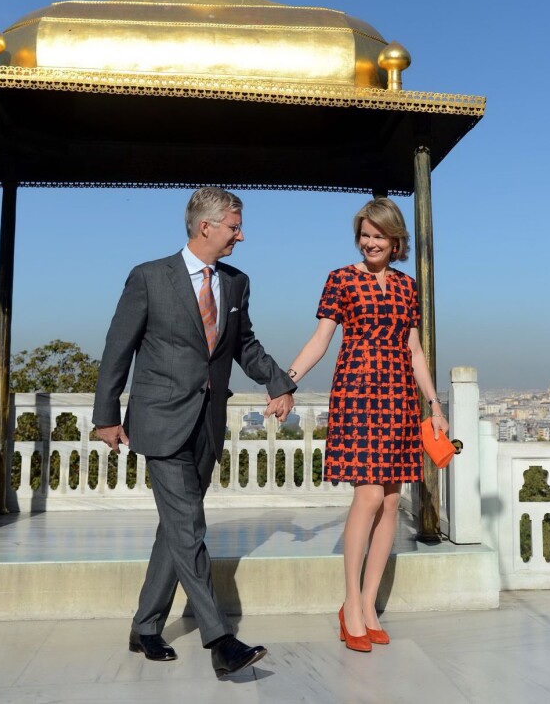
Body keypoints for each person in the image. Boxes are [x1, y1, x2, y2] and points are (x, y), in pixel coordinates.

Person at [92, 187, 296, 677]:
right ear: (206, 226)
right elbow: (118, 349)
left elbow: (244, 344)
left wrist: (278, 381)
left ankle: (145, 626)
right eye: (234, 226)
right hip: (160, 422)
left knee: (177, 529)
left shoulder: (237, 282)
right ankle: (221, 640)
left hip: (208, 423)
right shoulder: (149, 278)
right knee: (189, 526)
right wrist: (106, 416)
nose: (240, 236)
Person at [286, 197, 448, 652]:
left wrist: (433, 403)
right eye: (364, 234)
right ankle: (351, 604)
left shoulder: (406, 286)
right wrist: (287, 382)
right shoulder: (340, 279)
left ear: (395, 240)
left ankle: (369, 604)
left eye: (379, 235)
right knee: (369, 494)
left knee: (392, 503)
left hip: (398, 395)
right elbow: (321, 339)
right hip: (357, 392)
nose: (370, 242)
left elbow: (415, 351)